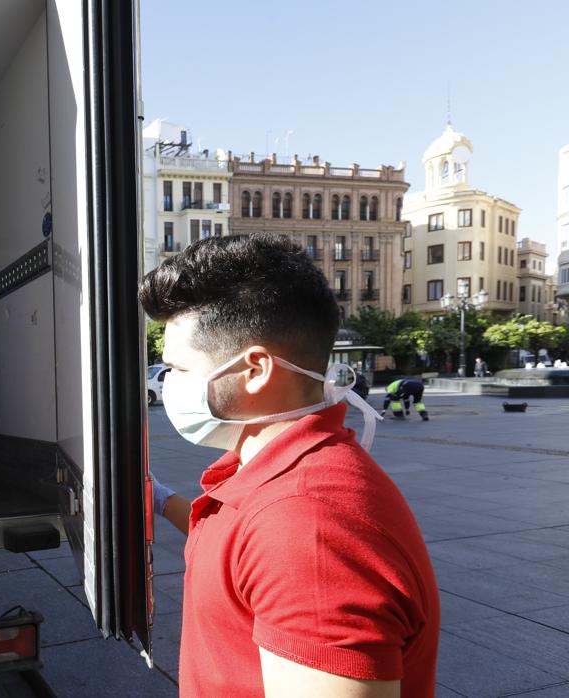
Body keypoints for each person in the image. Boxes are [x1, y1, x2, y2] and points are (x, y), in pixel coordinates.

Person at [143, 235, 439, 698]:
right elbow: (241, 551)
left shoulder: (309, 525)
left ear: (256, 369)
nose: (167, 384)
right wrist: (162, 501)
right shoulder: (278, 473)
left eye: (177, 369)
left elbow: (281, 546)